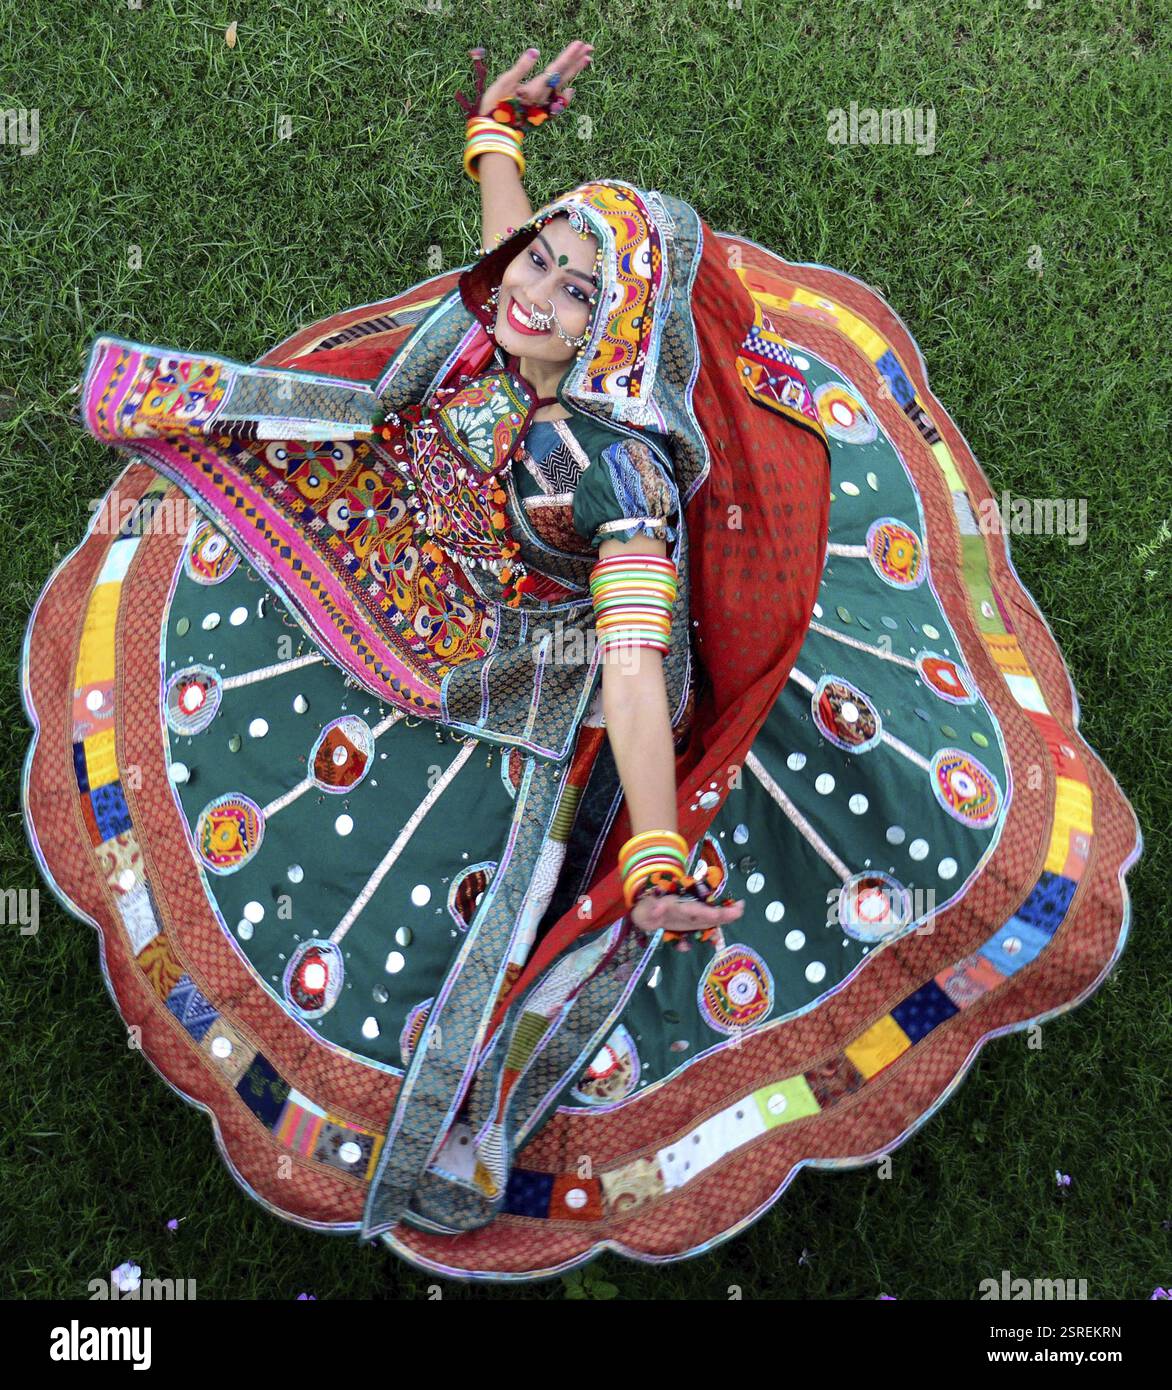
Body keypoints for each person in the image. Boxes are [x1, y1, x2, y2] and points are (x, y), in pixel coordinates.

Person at [21, 40, 1140, 1279]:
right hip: (406, 532)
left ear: (611, 339)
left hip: (503, 646)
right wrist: (498, 140)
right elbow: (512, 259)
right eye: (538, 257)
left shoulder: (612, 482)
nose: (530, 294)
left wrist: (652, 844)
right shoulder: (521, 317)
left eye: (569, 288)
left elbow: (627, 667)